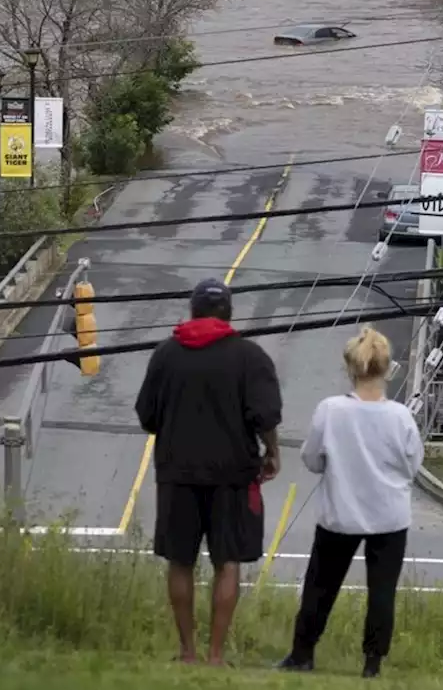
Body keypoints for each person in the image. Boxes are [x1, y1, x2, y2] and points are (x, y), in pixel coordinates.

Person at [135, 277, 283, 666]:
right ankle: (215, 656)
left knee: (180, 561)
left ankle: (187, 652)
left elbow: (146, 416)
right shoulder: (249, 357)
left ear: (193, 311)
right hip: (232, 476)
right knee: (227, 561)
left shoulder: (166, 355)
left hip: (177, 472)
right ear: (229, 314)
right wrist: (273, 451)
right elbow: (265, 415)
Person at [278, 325, 424, 679]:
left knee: (321, 585)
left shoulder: (331, 410)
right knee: (382, 590)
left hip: (339, 513)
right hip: (389, 515)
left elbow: (312, 458)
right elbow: (412, 465)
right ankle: (372, 662)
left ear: (350, 368)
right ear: (387, 369)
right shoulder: (401, 416)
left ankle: (302, 653)